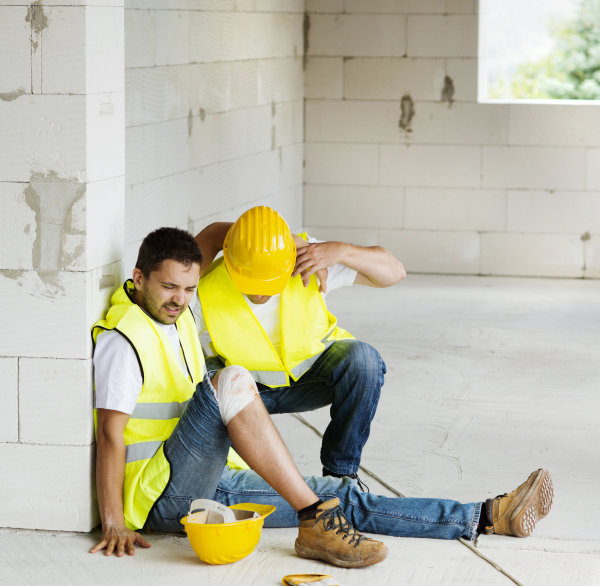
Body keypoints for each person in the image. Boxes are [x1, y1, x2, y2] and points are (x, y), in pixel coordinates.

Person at [90, 226, 553, 563]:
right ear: (140, 276)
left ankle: (487, 515)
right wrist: (114, 521)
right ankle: (314, 515)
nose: (180, 298)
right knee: (230, 378)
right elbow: (111, 435)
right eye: (169, 286)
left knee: (340, 499)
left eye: (188, 288)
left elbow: (208, 239)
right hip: (161, 497)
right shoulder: (124, 340)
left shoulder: (179, 316)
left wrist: (265, 237)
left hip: (210, 476)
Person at [194, 207, 406, 489]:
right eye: (249, 282)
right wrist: (251, 238)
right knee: (203, 380)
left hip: (312, 382)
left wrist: (340, 251)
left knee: (364, 362)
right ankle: (225, 477)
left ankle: (340, 477)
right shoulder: (205, 289)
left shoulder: (307, 259)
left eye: (268, 283)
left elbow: (394, 272)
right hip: (247, 396)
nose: (258, 293)